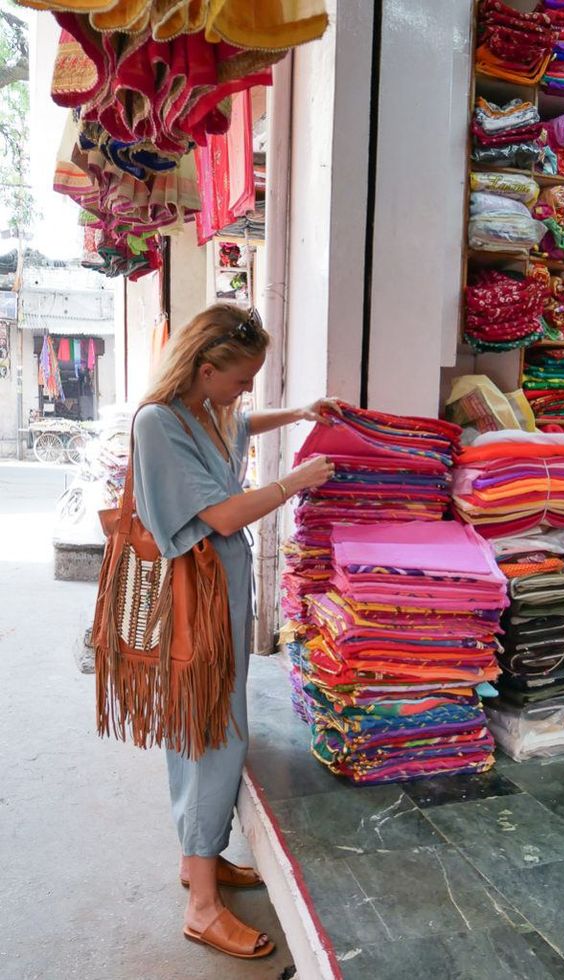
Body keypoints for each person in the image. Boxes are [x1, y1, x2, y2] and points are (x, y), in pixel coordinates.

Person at [133, 302, 336, 960]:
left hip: (220, 594)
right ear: (206, 368)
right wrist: (293, 482)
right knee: (211, 733)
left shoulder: (204, 413)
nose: (246, 392)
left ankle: (203, 859)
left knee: (211, 727)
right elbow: (221, 515)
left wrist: (301, 414)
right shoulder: (159, 423)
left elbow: (243, 422)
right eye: (242, 378)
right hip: (194, 599)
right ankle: (199, 906)